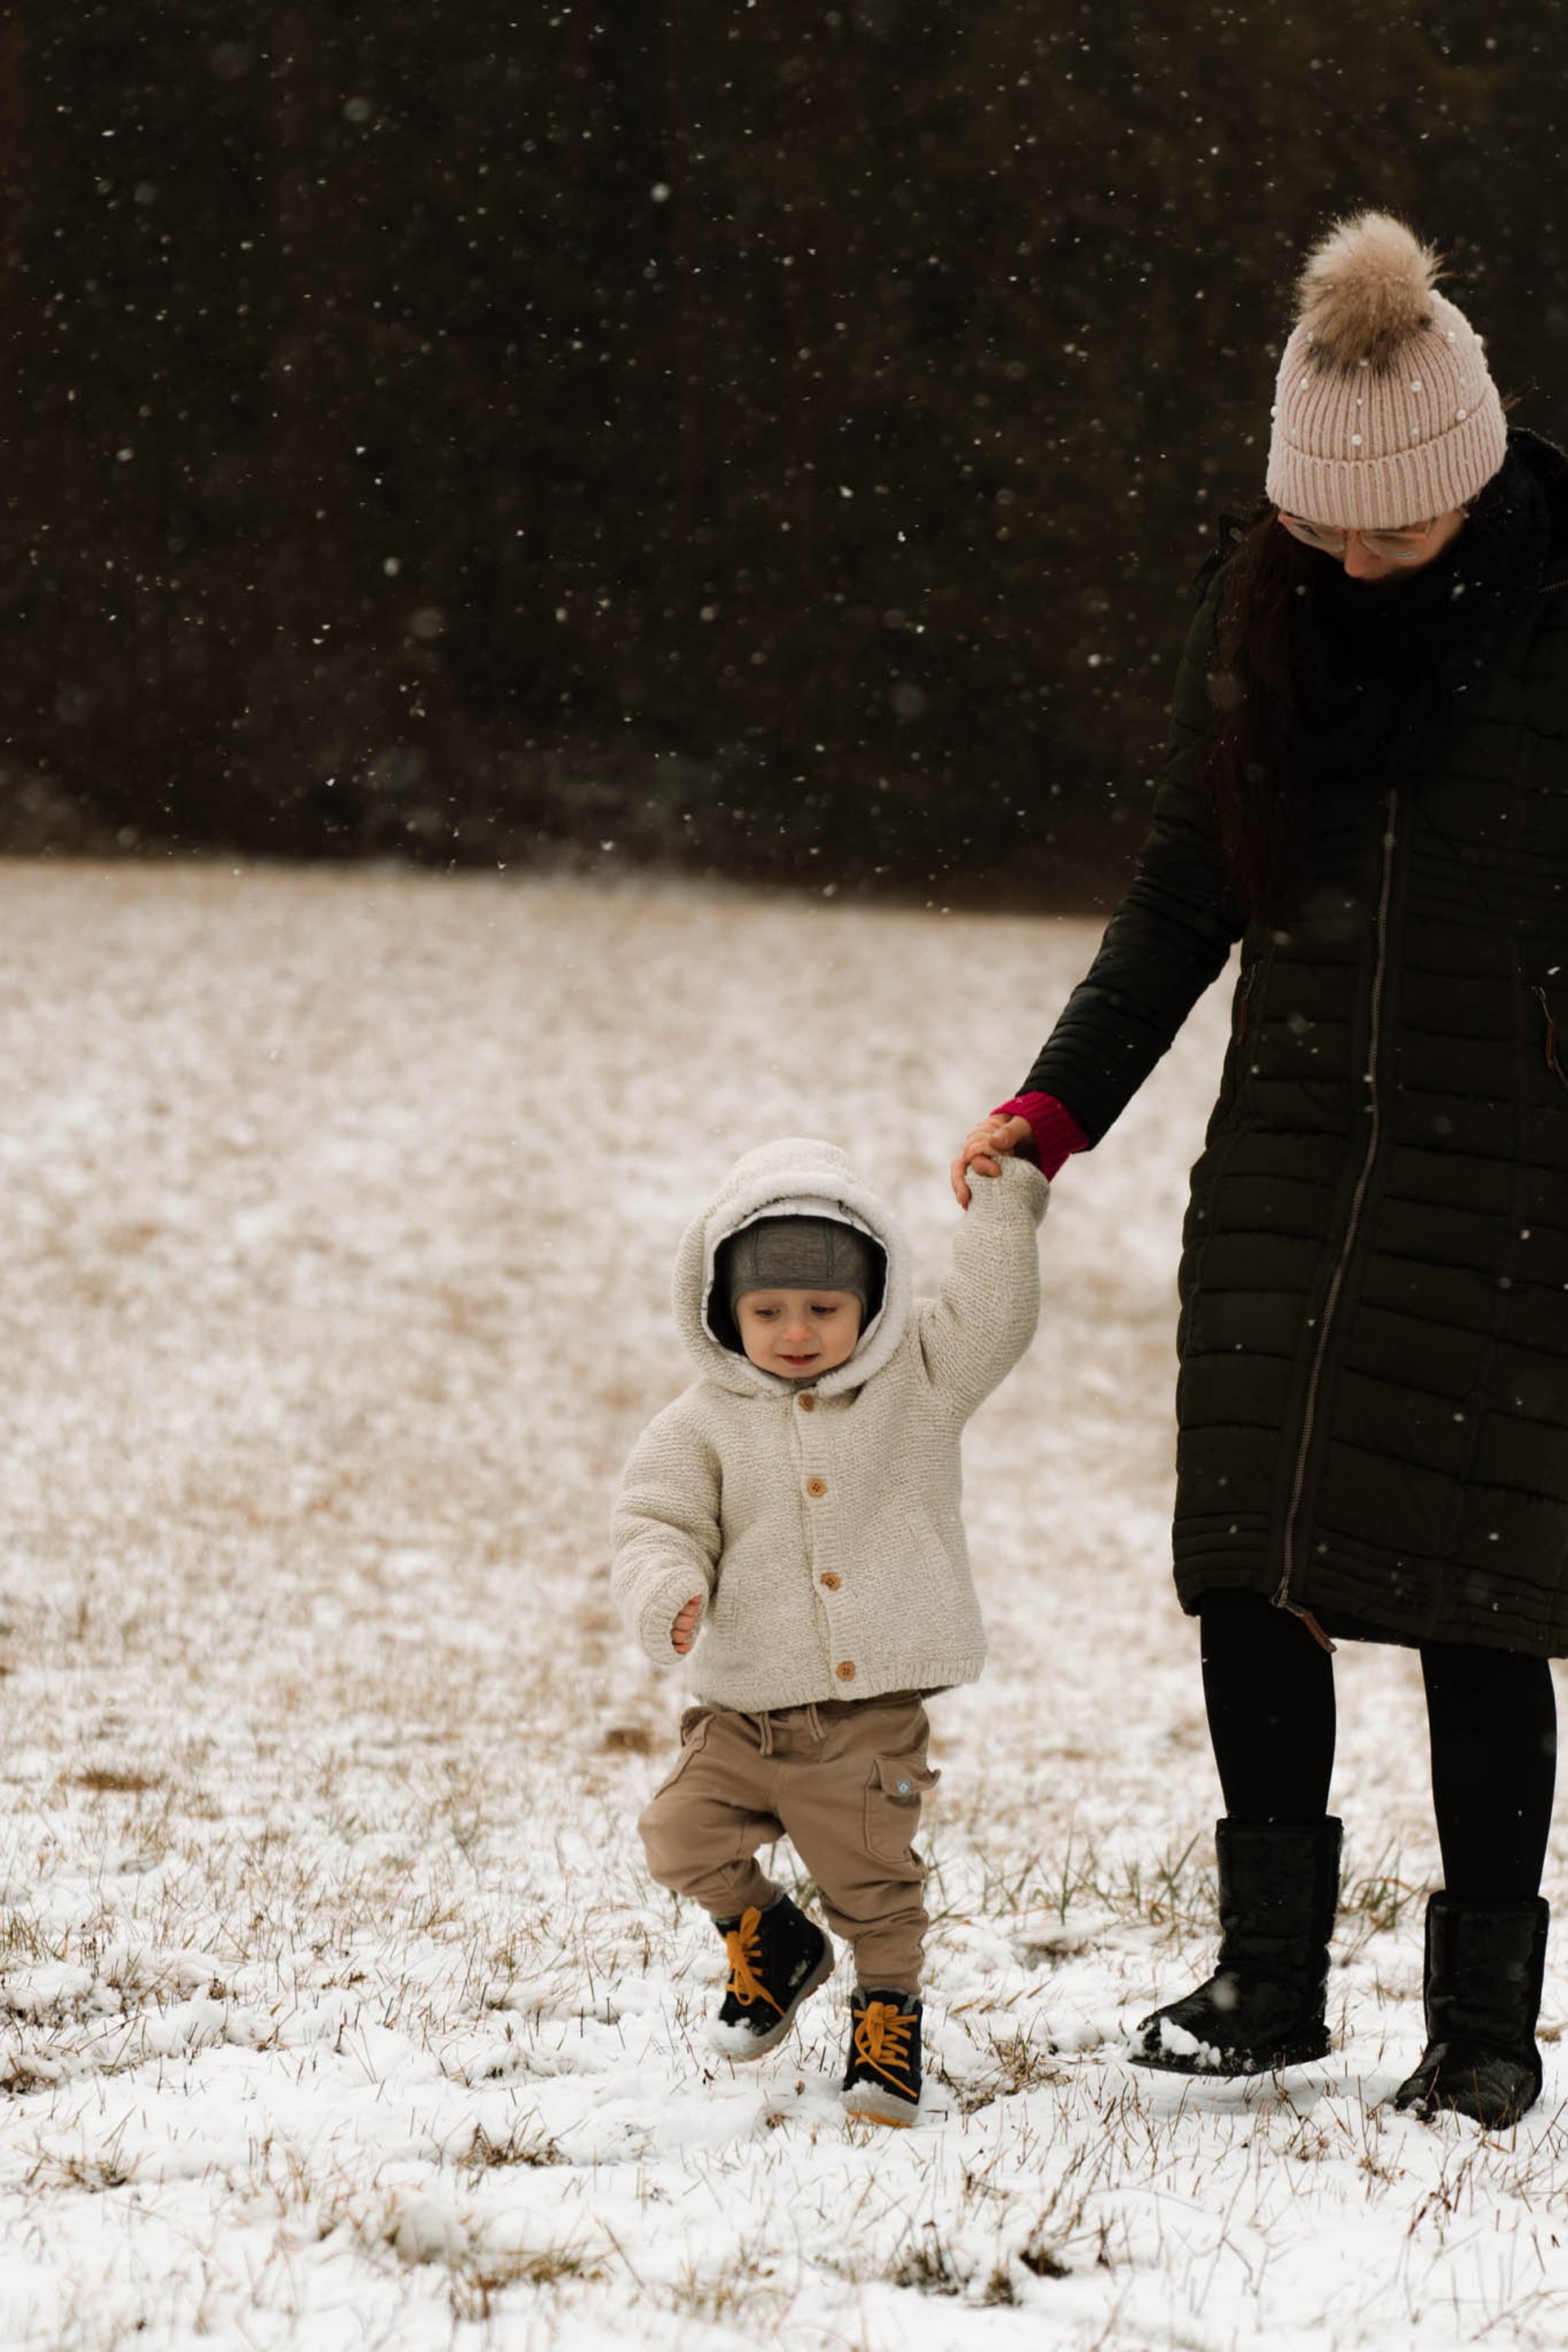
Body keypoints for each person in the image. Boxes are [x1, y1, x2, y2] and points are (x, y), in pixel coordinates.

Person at [954, 212, 1566, 2127]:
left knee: (1486, 1588)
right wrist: (1053, 1108)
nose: (1363, 565)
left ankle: (1479, 2024)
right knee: (1251, 1551)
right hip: (1291, 1140)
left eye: (1398, 535)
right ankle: (1267, 1978)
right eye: (1332, 536)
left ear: (1470, 481)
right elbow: (1177, 893)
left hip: (1516, 1155)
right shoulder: (1260, 615)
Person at [612, 1134, 1048, 2124]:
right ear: (727, 1310)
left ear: (872, 1303)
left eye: (825, 1309)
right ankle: (775, 1942)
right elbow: (654, 1520)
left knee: (874, 1890)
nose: (796, 1333)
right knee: (675, 1836)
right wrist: (668, 1587)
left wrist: (1003, 1201)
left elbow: (995, 1314)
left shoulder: (920, 1381)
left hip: (863, 1723)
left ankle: (886, 2022)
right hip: (739, 1717)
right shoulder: (699, 1423)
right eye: (768, 1311)